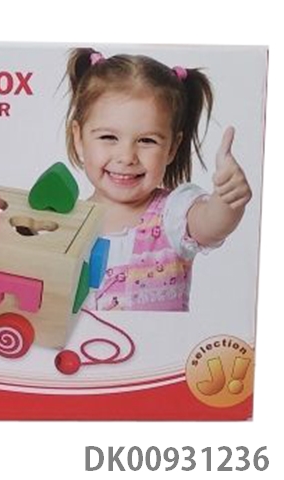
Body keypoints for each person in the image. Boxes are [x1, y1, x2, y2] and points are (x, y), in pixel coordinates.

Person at [65, 48, 252, 311]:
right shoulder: (66, 223)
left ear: (172, 147)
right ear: (79, 138)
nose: (127, 157)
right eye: (108, 137)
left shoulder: (174, 213)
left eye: (147, 140)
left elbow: (210, 224)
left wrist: (228, 200)